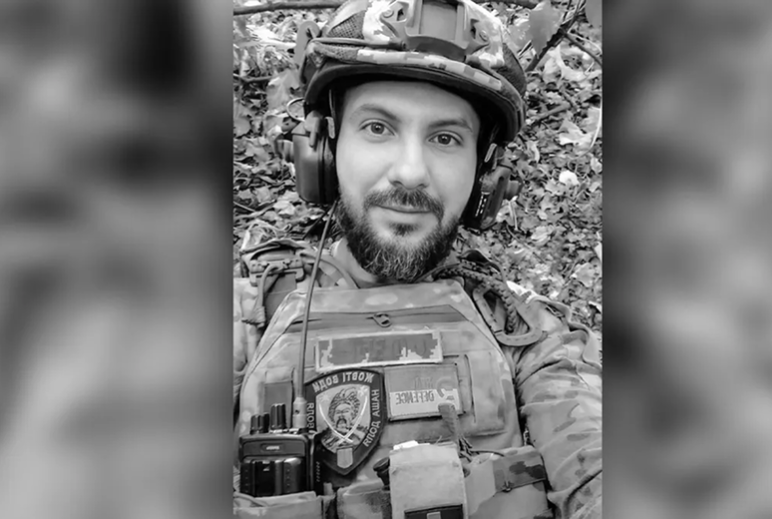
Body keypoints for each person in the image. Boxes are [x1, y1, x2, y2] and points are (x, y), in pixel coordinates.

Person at [233, 0, 602, 517]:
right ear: (323, 150)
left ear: (484, 177)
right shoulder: (244, 319)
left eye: (445, 138)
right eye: (378, 128)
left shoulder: (529, 336)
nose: (410, 172)